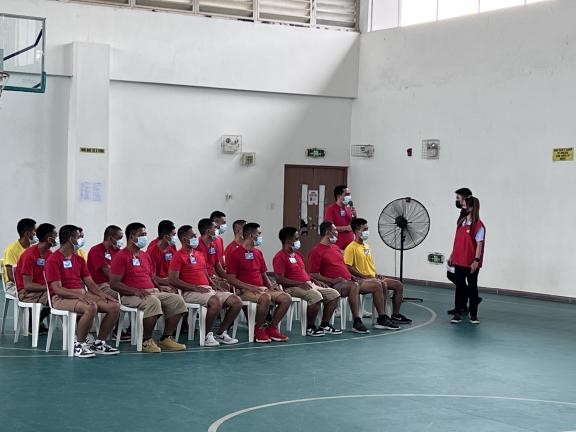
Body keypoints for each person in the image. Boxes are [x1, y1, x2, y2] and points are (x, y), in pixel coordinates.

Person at [109, 222, 187, 353]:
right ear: (132, 237)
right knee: (153, 302)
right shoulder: (120, 257)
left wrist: (160, 287)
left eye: (145, 234)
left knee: (177, 300)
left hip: (151, 292)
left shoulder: (144, 256)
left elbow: (150, 276)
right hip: (130, 295)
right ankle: (146, 340)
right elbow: (114, 283)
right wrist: (135, 291)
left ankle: (166, 338)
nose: (145, 237)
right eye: (142, 234)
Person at [44, 225, 120, 358]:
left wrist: (103, 295)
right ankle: (79, 344)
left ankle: (99, 343)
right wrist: (79, 295)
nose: (81, 240)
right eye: (79, 237)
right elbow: (57, 289)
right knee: (91, 307)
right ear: (70, 239)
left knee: (114, 306)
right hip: (60, 298)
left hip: (81, 295)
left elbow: (90, 283)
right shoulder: (53, 260)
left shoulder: (78, 259)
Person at [168, 225, 241, 347]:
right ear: (184, 239)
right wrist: (194, 287)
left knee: (236, 301)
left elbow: (205, 273)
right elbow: (172, 280)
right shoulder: (178, 256)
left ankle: (221, 333)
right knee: (215, 302)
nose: (196, 238)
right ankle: (206, 335)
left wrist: (214, 285)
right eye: (193, 236)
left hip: (207, 290)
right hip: (190, 292)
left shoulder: (199, 254)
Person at [309, 221, 378, 334]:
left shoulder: (335, 248)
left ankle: (382, 318)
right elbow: (313, 274)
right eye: (335, 230)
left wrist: (352, 276)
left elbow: (343, 266)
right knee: (353, 286)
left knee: (378, 284)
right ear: (328, 232)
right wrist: (332, 280)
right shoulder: (316, 251)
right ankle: (357, 321)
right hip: (335, 284)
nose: (337, 233)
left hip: (349, 280)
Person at [226, 222, 291, 343]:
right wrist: (249, 287)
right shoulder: (235, 253)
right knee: (265, 298)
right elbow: (231, 279)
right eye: (259, 234)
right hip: (245, 291)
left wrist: (271, 286)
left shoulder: (258, 252)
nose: (260, 236)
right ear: (251, 236)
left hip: (261, 289)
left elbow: (263, 273)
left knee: (286, 298)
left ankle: (272, 328)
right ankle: (258, 329)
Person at [273, 227, 342, 337]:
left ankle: (324, 324)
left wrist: (315, 280)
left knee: (334, 294)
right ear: (288, 241)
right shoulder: (280, 257)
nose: (299, 241)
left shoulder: (298, 255)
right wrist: (298, 283)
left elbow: (304, 273)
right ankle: (310, 327)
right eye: (296, 239)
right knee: (315, 296)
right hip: (292, 288)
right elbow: (279, 279)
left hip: (308, 284)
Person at [344, 218, 412, 327]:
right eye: (364, 229)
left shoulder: (367, 246)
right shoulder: (350, 248)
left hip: (373, 276)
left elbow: (369, 264)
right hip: (362, 279)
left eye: (367, 229)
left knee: (398, 285)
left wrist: (376, 274)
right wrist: (363, 276)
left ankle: (395, 315)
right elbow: (348, 267)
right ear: (357, 231)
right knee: (381, 284)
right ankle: (382, 317)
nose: (367, 231)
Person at [87, 225, 130, 342]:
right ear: (111, 238)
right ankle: (116, 331)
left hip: (114, 283)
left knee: (135, 293)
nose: (122, 241)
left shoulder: (118, 251)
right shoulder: (96, 250)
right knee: (124, 294)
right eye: (120, 238)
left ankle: (129, 329)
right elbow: (108, 272)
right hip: (100, 286)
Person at [448, 196, 486, 324]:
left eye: (465, 204)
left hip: (471, 263)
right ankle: (457, 313)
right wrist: (452, 255)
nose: (463, 205)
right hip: (459, 260)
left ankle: (473, 315)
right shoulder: (461, 222)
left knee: (472, 288)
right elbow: (457, 241)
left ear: (472, 207)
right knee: (459, 287)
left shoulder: (479, 225)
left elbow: (479, 244)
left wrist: (476, 260)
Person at [14, 223, 57, 334]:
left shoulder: (50, 254)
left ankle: (36, 320)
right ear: (48, 237)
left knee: (60, 294)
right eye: (55, 235)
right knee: (55, 297)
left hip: (41, 290)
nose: (57, 238)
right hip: (26, 292)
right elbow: (28, 285)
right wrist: (50, 288)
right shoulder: (30, 255)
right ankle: (33, 322)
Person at [447, 188, 478, 315]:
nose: (456, 200)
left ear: (465, 199)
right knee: (453, 276)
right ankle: (464, 304)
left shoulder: (471, 217)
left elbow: (475, 241)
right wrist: (452, 254)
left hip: (466, 256)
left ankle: (470, 300)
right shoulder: (462, 214)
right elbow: (459, 237)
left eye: (458, 198)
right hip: (458, 252)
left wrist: (476, 259)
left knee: (461, 281)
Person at [2, 218, 37, 297]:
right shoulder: (11, 249)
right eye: (35, 232)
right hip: (13, 285)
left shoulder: (33, 249)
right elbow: (11, 276)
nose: (37, 234)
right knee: (39, 295)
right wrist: (28, 284)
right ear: (27, 234)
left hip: (30, 283)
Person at [146, 220, 178, 292]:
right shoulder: (152, 251)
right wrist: (168, 282)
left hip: (172, 281)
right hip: (161, 284)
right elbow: (151, 276)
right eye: (174, 235)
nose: (175, 237)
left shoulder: (172, 246)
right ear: (166, 237)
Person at [197, 218, 229, 285]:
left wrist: (229, 277)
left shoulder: (214, 245)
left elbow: (218, 267)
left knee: (231, 283)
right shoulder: (197, 246)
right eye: (215, 228)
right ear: (208, 231)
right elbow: (200, 270)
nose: (218, 229)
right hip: (202, 279)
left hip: (212, 277)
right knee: (225, 286)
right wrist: (213, 281)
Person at [323, 185, 356, 251]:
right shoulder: (330, 209)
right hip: (338, 248)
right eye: (346, 194)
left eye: (349, 194)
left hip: (350, 248)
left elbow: (354, 226)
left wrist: (355, 216)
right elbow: (329, 228)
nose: (349, 197)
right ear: (338, 196)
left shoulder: (349, 208)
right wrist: (346, 228)